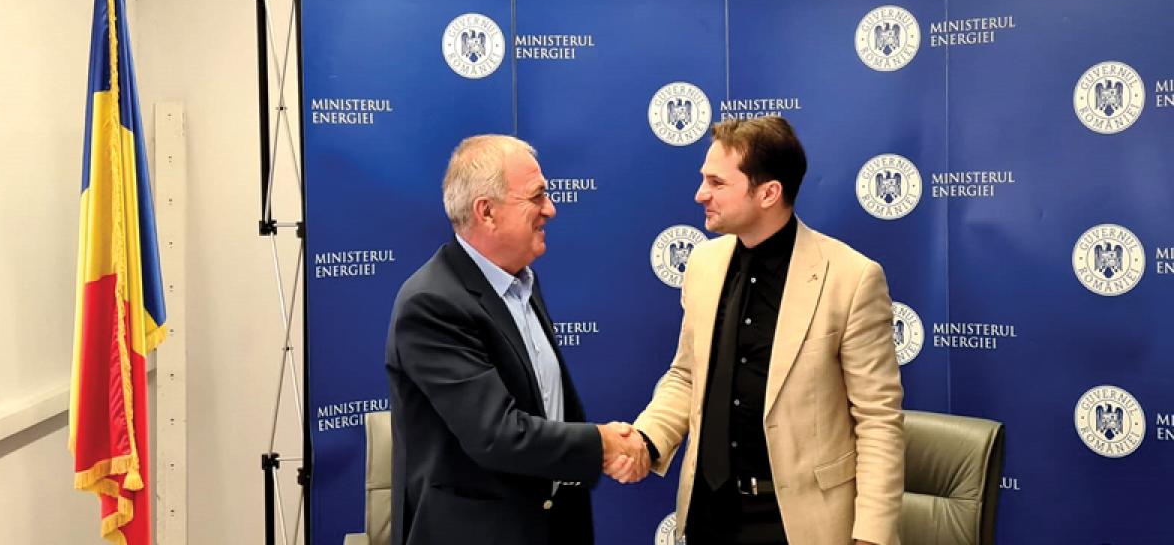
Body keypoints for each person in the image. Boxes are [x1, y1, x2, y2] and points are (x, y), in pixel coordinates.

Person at [631, 117, 904, 545]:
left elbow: (877, 419)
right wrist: (646, 440)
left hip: (798, 525)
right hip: (709, 515)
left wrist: (871, 536)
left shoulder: (851, 278)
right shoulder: (703, 265)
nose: (700, 194)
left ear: (768, 193)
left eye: (717, 183)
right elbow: (687, 376)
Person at [385, 134, 646, 545]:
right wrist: (602, 444)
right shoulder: (432, 303)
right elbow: (496, 434)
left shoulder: (523, 282)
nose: (551, 209)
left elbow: (547, 405)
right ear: (486, 212)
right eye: (537, 196)